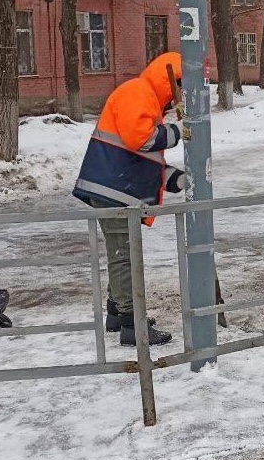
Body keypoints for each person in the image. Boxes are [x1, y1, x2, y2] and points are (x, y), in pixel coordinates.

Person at [73, 52, 186, 345]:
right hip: (113, 192)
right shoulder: (138, 91)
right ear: (172, 81)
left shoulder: (145, 97)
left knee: (121, 253)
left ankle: (116, 312)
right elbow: (143, 139)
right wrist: (180, 132)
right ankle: (132, 324)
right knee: (125, 257)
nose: (180, 98)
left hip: (115, 187)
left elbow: (139, 159)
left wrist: (177, 179)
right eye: (182, 88)